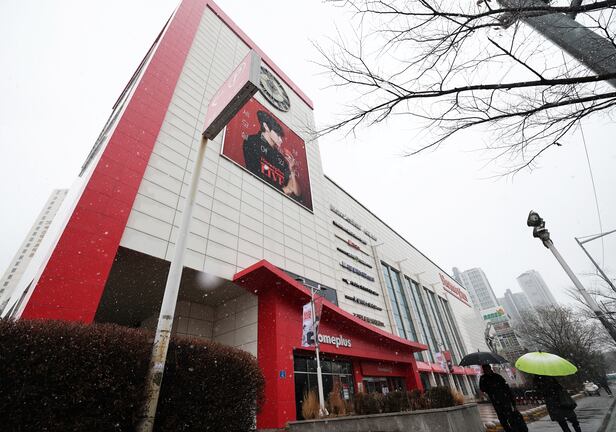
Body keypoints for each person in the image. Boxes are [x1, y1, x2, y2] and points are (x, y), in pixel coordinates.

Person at [242, 110, 301, 198]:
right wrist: (282, 190)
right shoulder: (252, 141)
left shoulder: (280, 158)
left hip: (277, 201)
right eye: (278, 134)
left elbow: (297, 192)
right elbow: (255, 174)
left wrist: (292, 171)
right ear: (266, 126)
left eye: (281, 136)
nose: (281, 140)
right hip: (254, 195)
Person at [479, 364, 517, 432]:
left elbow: (507, 388)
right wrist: (488, 388)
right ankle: (508, 430)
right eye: (485, 369)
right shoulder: (483, 378)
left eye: (487, 369)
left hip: (505, 399)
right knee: (502, 418)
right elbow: (482, 388)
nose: (486, 371)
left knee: (510, 417)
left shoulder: (497, 376)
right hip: (495, 401)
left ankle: (514, 429)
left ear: (490, 368)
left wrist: (513, 402)